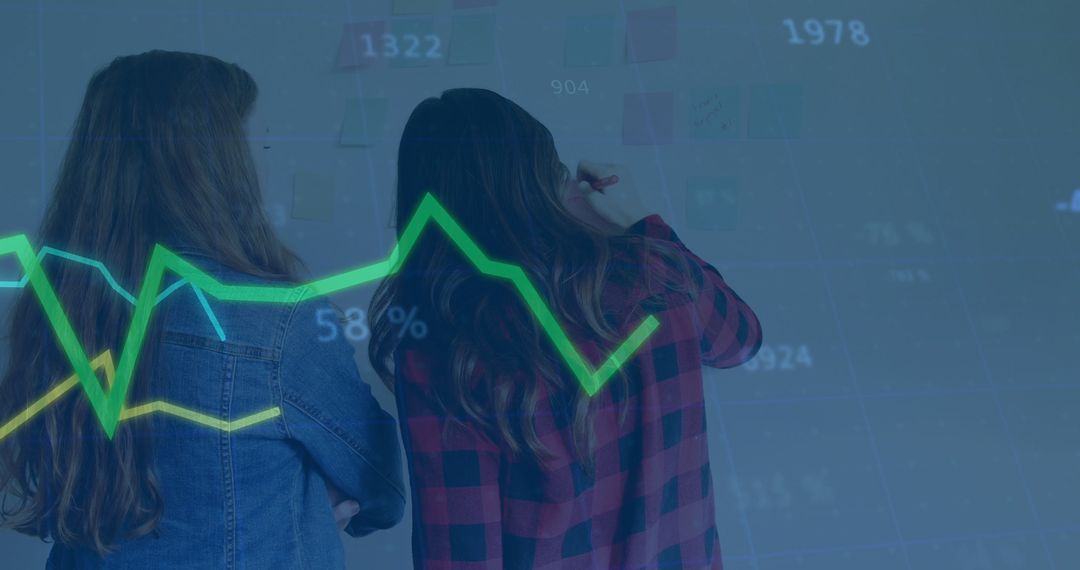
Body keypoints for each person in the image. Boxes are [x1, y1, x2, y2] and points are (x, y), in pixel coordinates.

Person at [0, 50, 404, 568]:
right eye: (250, 141)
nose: (264, 158)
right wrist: (303, 504)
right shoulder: (278, 322)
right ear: (211, 164)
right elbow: (381, 485)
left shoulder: (55, 308)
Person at [368, 88, 762, 569]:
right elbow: (740, 341)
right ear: (547, 182)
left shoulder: (445, 353)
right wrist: (642, 222)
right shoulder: (661, 273)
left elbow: (461, 554)